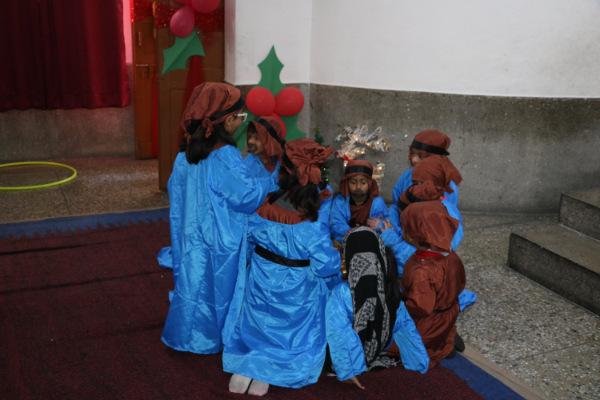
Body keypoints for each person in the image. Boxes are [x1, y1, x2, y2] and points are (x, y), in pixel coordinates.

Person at [161, 82, 274, 355]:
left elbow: (176, 191)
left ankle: (184, 333)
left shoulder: (185, 152)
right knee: (215, 287)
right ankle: (208, 336)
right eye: (240, 117)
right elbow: (247, 197)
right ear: (228, 119)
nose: (241, 123)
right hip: (217, 236)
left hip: (188, 232)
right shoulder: (225, 156)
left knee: (191, 282)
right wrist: (269, 180)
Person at [223, 138, 342, 396]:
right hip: (296, 290)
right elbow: (325, 265)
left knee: (258, 321)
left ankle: (248, 363)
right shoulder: (311, 219)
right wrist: (338, 256)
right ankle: (270, 368)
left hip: (260, 280)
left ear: (283, 173)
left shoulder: (263, 204)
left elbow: (247, 239)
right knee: (320, 297)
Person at [325, 227, 429, 390]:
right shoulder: (391, 289)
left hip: (349, 359)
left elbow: (338, 332)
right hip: (376, 349)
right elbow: (407, 327)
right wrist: (419, 361)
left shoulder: (342, 292)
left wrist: (347, 371)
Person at [400, 201, 466, 369]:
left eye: (404, 227)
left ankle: (439, 345)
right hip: (448, 314)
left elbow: (421, 308)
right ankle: (446, 336)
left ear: (412, 236)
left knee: (388, 342)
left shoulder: (422, 271)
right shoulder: (449, 253)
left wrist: (400, 302)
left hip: (428, 324)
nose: (401, 230)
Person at [392, 129, 461, 208]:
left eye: (421, 156)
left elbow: (448, 212)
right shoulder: (406, 176)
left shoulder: (447, 185)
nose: (414, 159)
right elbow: (397, 205)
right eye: (413, 153)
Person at [329, 160, 388, 242]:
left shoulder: (377, 203)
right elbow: (336, 226)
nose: (358, 187)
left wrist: (379, 225)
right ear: (347, 183)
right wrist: (355, 233)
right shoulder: (339, 202)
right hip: (348, 243)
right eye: (353, 182)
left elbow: (385, 226)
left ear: (369, 183)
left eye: (363, 183)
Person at [244, 116, 284, 186]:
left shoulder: (284, 161)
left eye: (257, 138)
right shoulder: (247, 166)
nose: (250, 141)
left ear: (271, 141)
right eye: (250, 137)